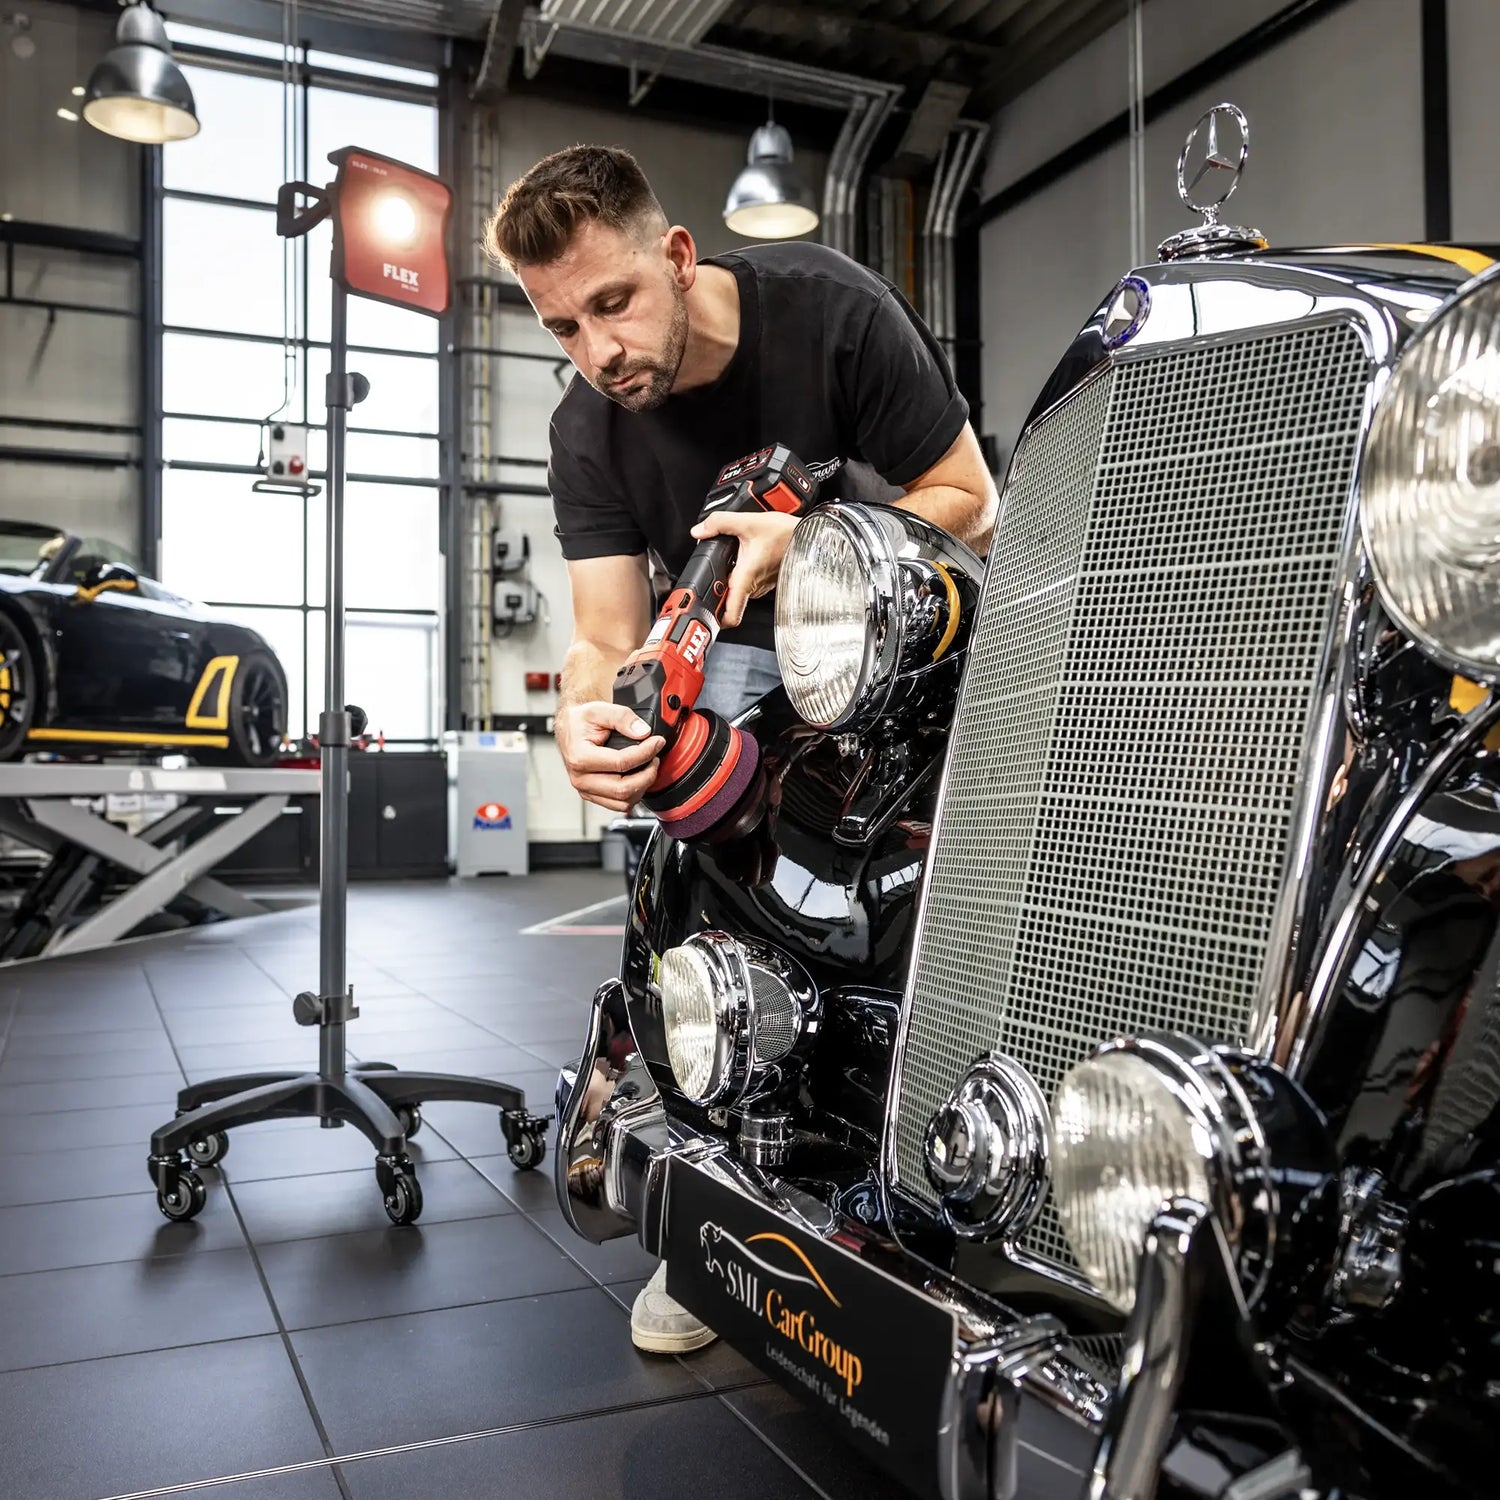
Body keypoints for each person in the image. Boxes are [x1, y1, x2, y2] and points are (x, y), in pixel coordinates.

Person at [484, 144, 998, 1354]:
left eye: (613, 303)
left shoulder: (830, 313)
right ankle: (720, 1210)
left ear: (676, 256)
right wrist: (581, 714)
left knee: (926, 916)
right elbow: (604, 633)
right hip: (739, 654)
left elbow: (969, 499)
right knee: (689, 863)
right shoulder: (588, 429)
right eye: (564, 327)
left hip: (899, 631)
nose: (599, 350)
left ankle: (957, 1169)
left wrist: (818, 541)